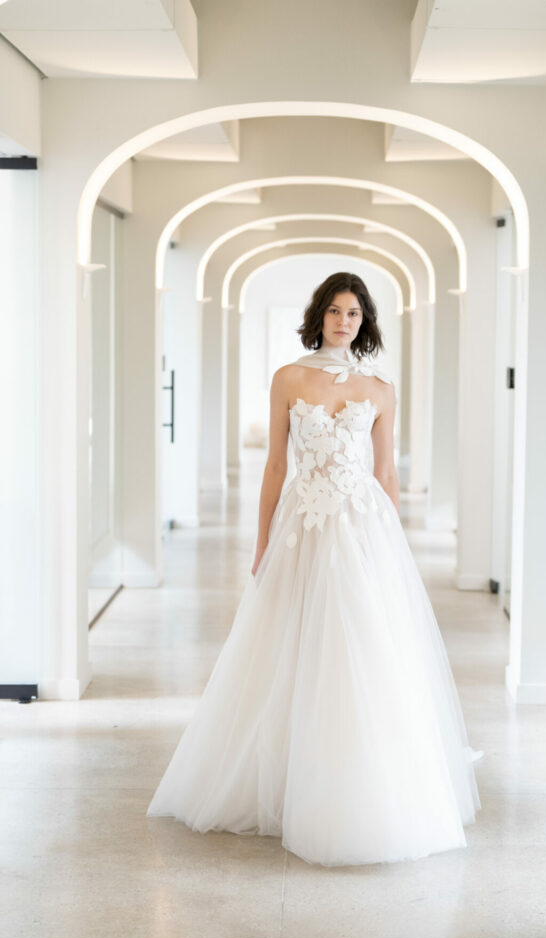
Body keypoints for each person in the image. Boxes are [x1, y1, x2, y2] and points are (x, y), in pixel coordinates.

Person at [146, 271, 482, 867]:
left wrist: (395, 542)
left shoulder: (379, 387)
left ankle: (357, 784)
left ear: (365, 322)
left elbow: (387, 471)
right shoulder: (287, 378)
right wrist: (261, 538)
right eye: (334, 311)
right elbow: (275, 465)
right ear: (318, 315)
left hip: (361, 526)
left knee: (361, 647)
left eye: (354, 313)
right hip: (304, 521)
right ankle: (279, 778)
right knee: (288, 643)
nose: (344, 322)